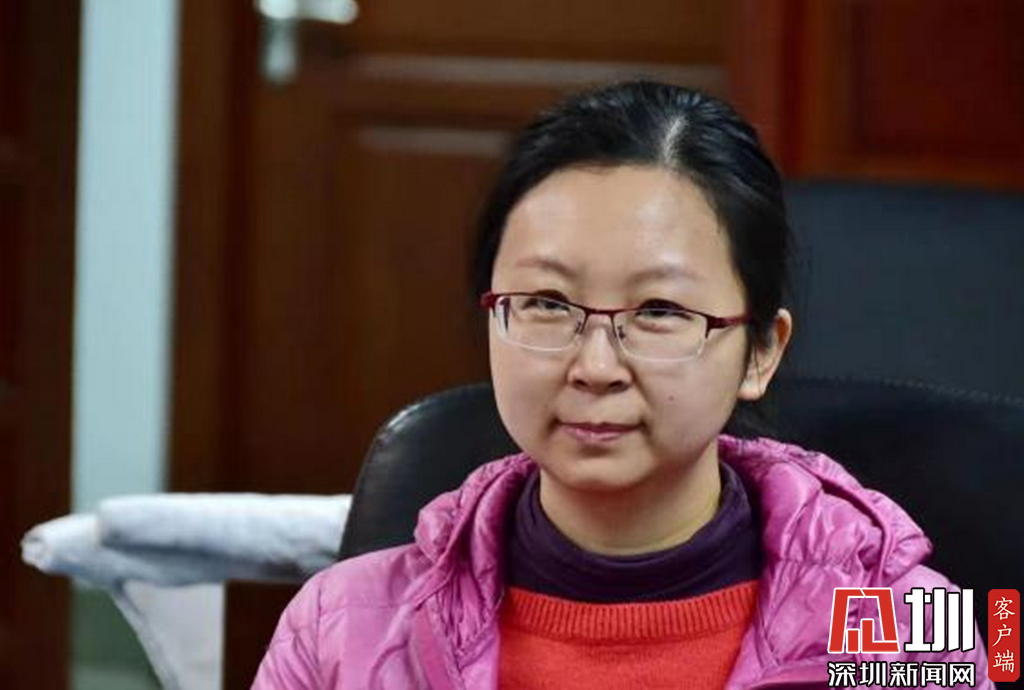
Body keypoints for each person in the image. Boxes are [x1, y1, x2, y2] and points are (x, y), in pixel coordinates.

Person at [251, 81, 993, 689]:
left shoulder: (912, 629)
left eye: (659, 312)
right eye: (547, 303)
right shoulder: (340, 629)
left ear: (761, 351)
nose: (596, 367)